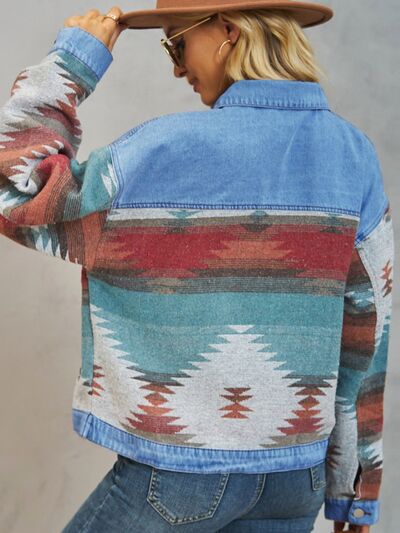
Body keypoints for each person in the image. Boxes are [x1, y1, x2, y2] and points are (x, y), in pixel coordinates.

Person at [0, 1, 394, 532]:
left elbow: (17, 196)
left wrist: (71, 63)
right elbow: (369, 324)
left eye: (176, 43)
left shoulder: (160, 150)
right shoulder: (353, 154)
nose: (177, 68)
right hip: (296, 479)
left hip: (182, 476)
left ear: (228, 32)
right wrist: (354, 483)